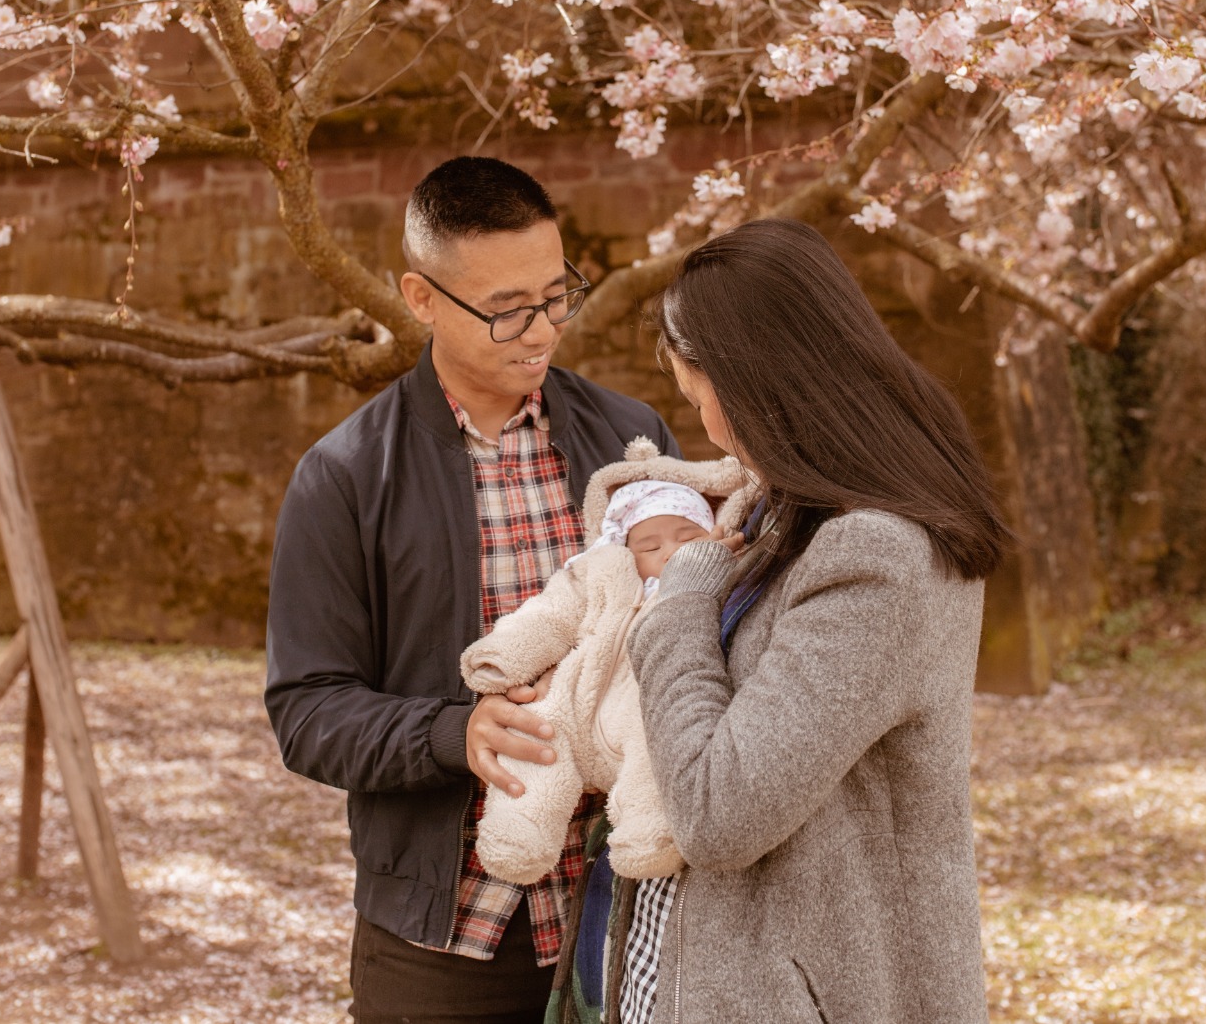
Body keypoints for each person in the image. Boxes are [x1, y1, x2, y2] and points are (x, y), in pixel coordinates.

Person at [550, 217, 1009, 1024]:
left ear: (750, 385)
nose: (707, 427)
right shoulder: (786, 514)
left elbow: (719, 813)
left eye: (701, 398)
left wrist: (678, 601)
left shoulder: (875, 557)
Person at [264, 156, 677, 1024]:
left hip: (625, 914)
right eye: (506, 309)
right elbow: (307, 709)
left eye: (556, 294)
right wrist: (453, 732)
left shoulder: (631, 437)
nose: (541, 330)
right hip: (445, 940)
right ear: (420, 298)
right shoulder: (344, 477)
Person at [458, 446, 758, 888]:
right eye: (651, 545)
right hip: (576, 700)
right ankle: (519, 831)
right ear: (623, 548)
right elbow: (551, 614)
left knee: (657, 748)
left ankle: (648, 836)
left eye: (689, 537)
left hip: (644, 707)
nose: (671, 552)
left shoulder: (712, 585)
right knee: (535, 730)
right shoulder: (600, 574)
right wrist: (500, 658)